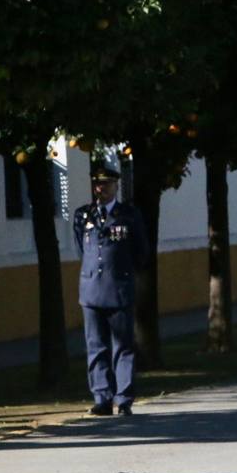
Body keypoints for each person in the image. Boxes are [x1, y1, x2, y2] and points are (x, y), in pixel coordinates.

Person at [72, 172, 149, 416]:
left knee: (122, 346)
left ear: (116, 186)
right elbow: (80, 250)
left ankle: (124, 398)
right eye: (97, 184)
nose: (100, 188)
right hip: (91, 290)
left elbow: (141, 252)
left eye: (106, 184)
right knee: (96, 346)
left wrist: (123, 273)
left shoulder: (128, 215)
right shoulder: (83, 215)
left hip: (118, 288)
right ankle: (102, 397)